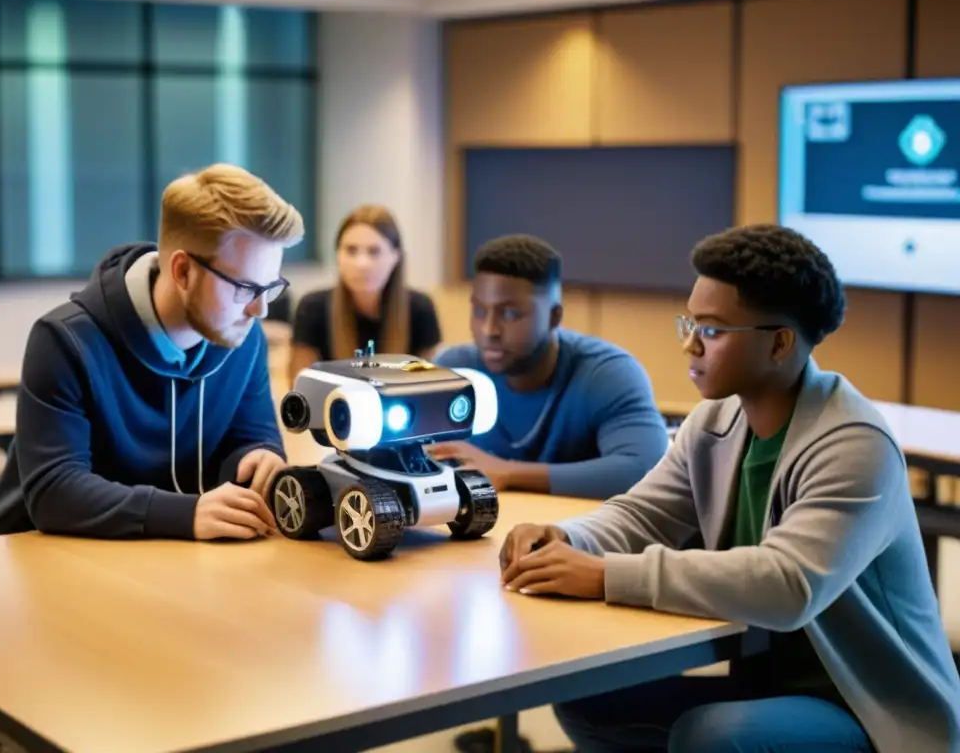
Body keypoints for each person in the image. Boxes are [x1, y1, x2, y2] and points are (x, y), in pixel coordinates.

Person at [499, 224, 960, 753]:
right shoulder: (715, 420)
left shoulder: (855, 444)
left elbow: (787, 586)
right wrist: (566, 537)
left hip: (868, 709)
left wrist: (605, 575)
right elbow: (643, 515)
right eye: (690, 322)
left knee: (712, 737)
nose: (689, 344)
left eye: (712, 330)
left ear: (779, 343)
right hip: (766, 680)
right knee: (589, 702)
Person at [0, 163, 302, 542]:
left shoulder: (244, 338)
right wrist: (185, 513)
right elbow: (54, 491)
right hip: (37, 564)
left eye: (269, 287)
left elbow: (249, 436)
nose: (258, 310)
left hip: (160, 563)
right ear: (182, 272)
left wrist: (258, 457)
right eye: (244, 288)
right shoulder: (65, 340)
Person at [430, 234, 669, 500]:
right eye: (479, 311)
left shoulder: (607, 374)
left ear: (554, 316)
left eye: (510, 314)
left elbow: (641, 469)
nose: (489, 330)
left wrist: (508, 472)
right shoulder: (453, 371)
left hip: (573, 535)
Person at [287, 204, 442, 383]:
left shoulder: (420, 308)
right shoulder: (313, 307)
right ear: (338, 255)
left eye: (374, 251)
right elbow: (300, 388)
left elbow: (431, 385)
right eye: (351, 250)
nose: (361, 263)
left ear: (395, 257)